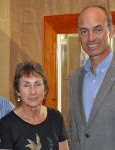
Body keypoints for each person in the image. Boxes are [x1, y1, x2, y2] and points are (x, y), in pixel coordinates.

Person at [70, 5, 115, 150]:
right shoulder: (75, 79)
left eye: (98, 30)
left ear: (111, 31)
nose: (91, 38)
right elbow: (76, 134)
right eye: (84, 31)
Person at [0, 61, 69, 150]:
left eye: (37, 84)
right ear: (18, 91)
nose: (33, 91)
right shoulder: (7, 124)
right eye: (26, 85)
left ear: (45, 89)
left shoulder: (56, 117)